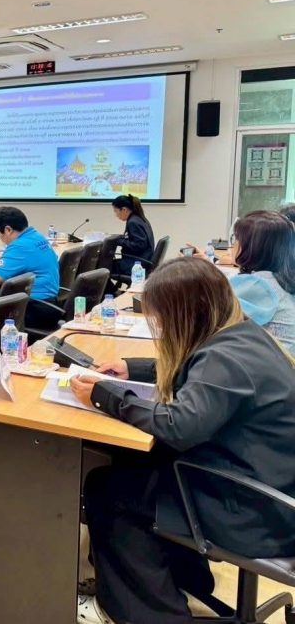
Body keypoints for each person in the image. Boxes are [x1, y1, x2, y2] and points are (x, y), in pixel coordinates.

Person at [70, 257, 295, 624]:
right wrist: (133, 368)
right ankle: (185, 579)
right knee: (137, 462)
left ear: (186, 314)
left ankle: (151, 613)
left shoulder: (226, 359)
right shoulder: (243, 336)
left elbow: (178, 426)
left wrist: (106, 396)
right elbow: (198, 373)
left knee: (110, 490)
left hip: (255, 513)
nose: (159, 326)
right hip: (268, 489)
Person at [225, 210, 295, 353]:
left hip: (272, 362)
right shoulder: (280, 277)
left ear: (252, 247)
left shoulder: (259, 285)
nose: (233, 244)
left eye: (236, 239)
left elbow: (216, 312)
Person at [0, 206, 60, 329]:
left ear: (8, 230)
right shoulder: (37, 237)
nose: (0, 238)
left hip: (35, 309)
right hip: (51, 304)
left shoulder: (20, 245)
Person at [111, 194, 155, 277]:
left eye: (116, 211)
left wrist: (118, 241)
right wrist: (118, 238)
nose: (116, 215)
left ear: (124, 210)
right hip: (144, 260)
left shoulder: (133, 222)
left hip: (137, 264)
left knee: (103, 266)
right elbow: (133, 239)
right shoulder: (138, 218)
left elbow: (139, 245)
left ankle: (110, 287)